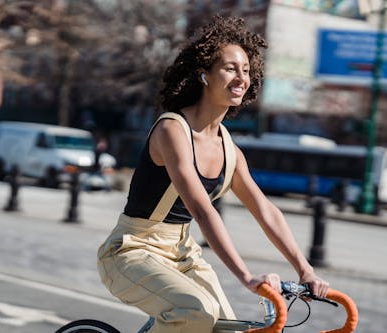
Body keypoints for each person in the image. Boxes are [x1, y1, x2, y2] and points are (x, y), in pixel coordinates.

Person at [97, 15, 328, 333]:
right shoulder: (172, 129)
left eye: (246, 70)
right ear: (203, 74)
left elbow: (265, 211)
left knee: (227, 328)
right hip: (132, 250)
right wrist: (247, 277)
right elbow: (202, 211)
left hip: (183, 254)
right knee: (198, 312)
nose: (241, 77)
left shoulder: (229, 149)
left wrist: (306, 270)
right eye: (230, 68)